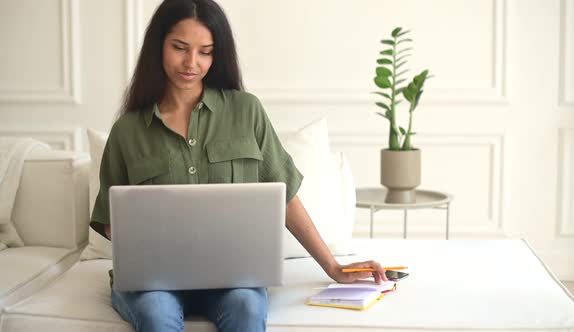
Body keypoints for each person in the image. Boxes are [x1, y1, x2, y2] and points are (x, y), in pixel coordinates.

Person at [90, 0, 388, 331]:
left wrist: (332, 266)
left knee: (246, 306)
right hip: (154, 282)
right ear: (158, 46)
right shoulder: (128, 130)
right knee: (155, 312)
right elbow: (110, 222)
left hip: (232, 277)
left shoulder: (246, 111)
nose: (192, 63)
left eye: (206, 51)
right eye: (179, 48)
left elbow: (285, 196)